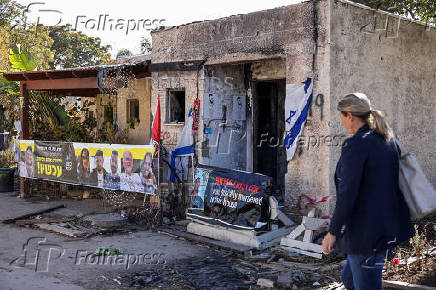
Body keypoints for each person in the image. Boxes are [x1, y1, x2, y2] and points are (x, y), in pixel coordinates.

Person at [322, 93, 414, 290]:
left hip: (367, 234)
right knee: (349, 279)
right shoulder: (387, 138)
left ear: (350, 116)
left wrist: (333, 232)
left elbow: (347, 194)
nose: (341, 121)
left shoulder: (357, 145)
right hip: (384, 228)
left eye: (341, 116)